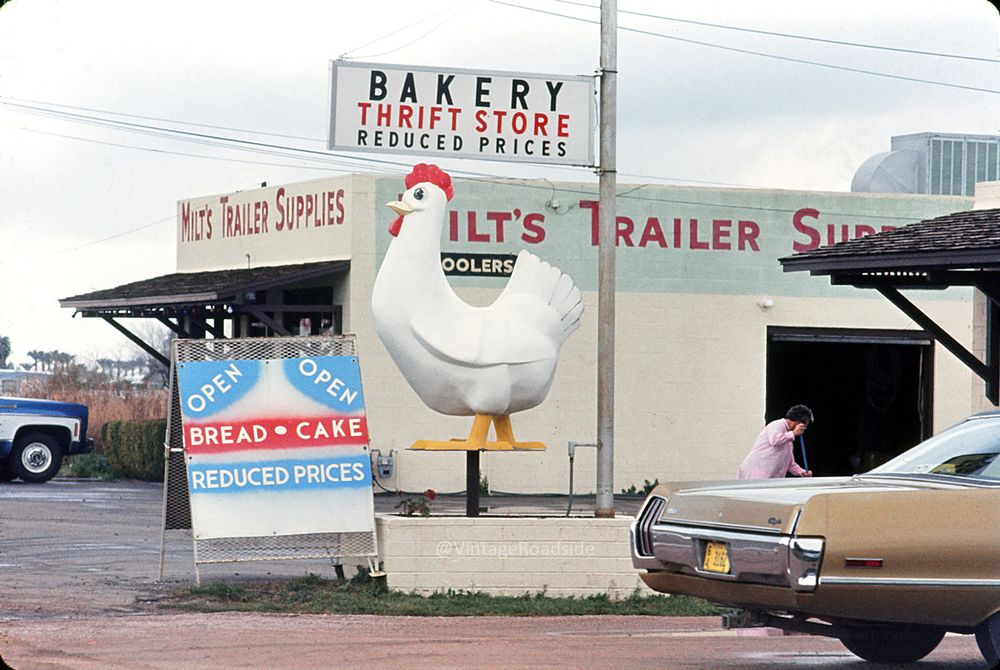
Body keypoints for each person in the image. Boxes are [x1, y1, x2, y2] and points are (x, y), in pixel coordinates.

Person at [738, 405, 814, 479]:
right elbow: (775, 441)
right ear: (798, 423)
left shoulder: (788, 440)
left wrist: (801, 472)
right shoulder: (777, 425)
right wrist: (793, 433)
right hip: (756, 472)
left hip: (769, 477)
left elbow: (789, 463)